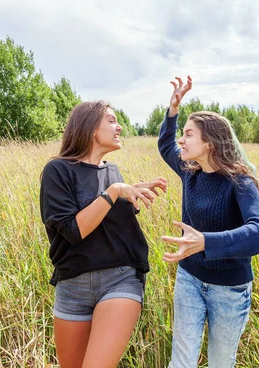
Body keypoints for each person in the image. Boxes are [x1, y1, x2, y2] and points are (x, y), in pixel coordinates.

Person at [39, 100, 167, 368]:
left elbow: (109, 220)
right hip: (72, 285)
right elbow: (74, 231)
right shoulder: (57, 170)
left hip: (119, 280)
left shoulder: (112, 172)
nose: (119, 127)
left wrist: (131, 193)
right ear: (89, 127)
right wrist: (115, 192)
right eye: (111, 120)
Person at [158, 76, 259, 367]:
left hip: (230, 290)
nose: (181, 140)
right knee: (181, 361)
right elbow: (164, 145)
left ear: (208, 142)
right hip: (189, 280)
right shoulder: (189, 171)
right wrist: (173, 110)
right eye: (182, 134)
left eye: (188, 134)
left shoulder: (240, 182)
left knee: (220, 363)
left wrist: (205, 242)